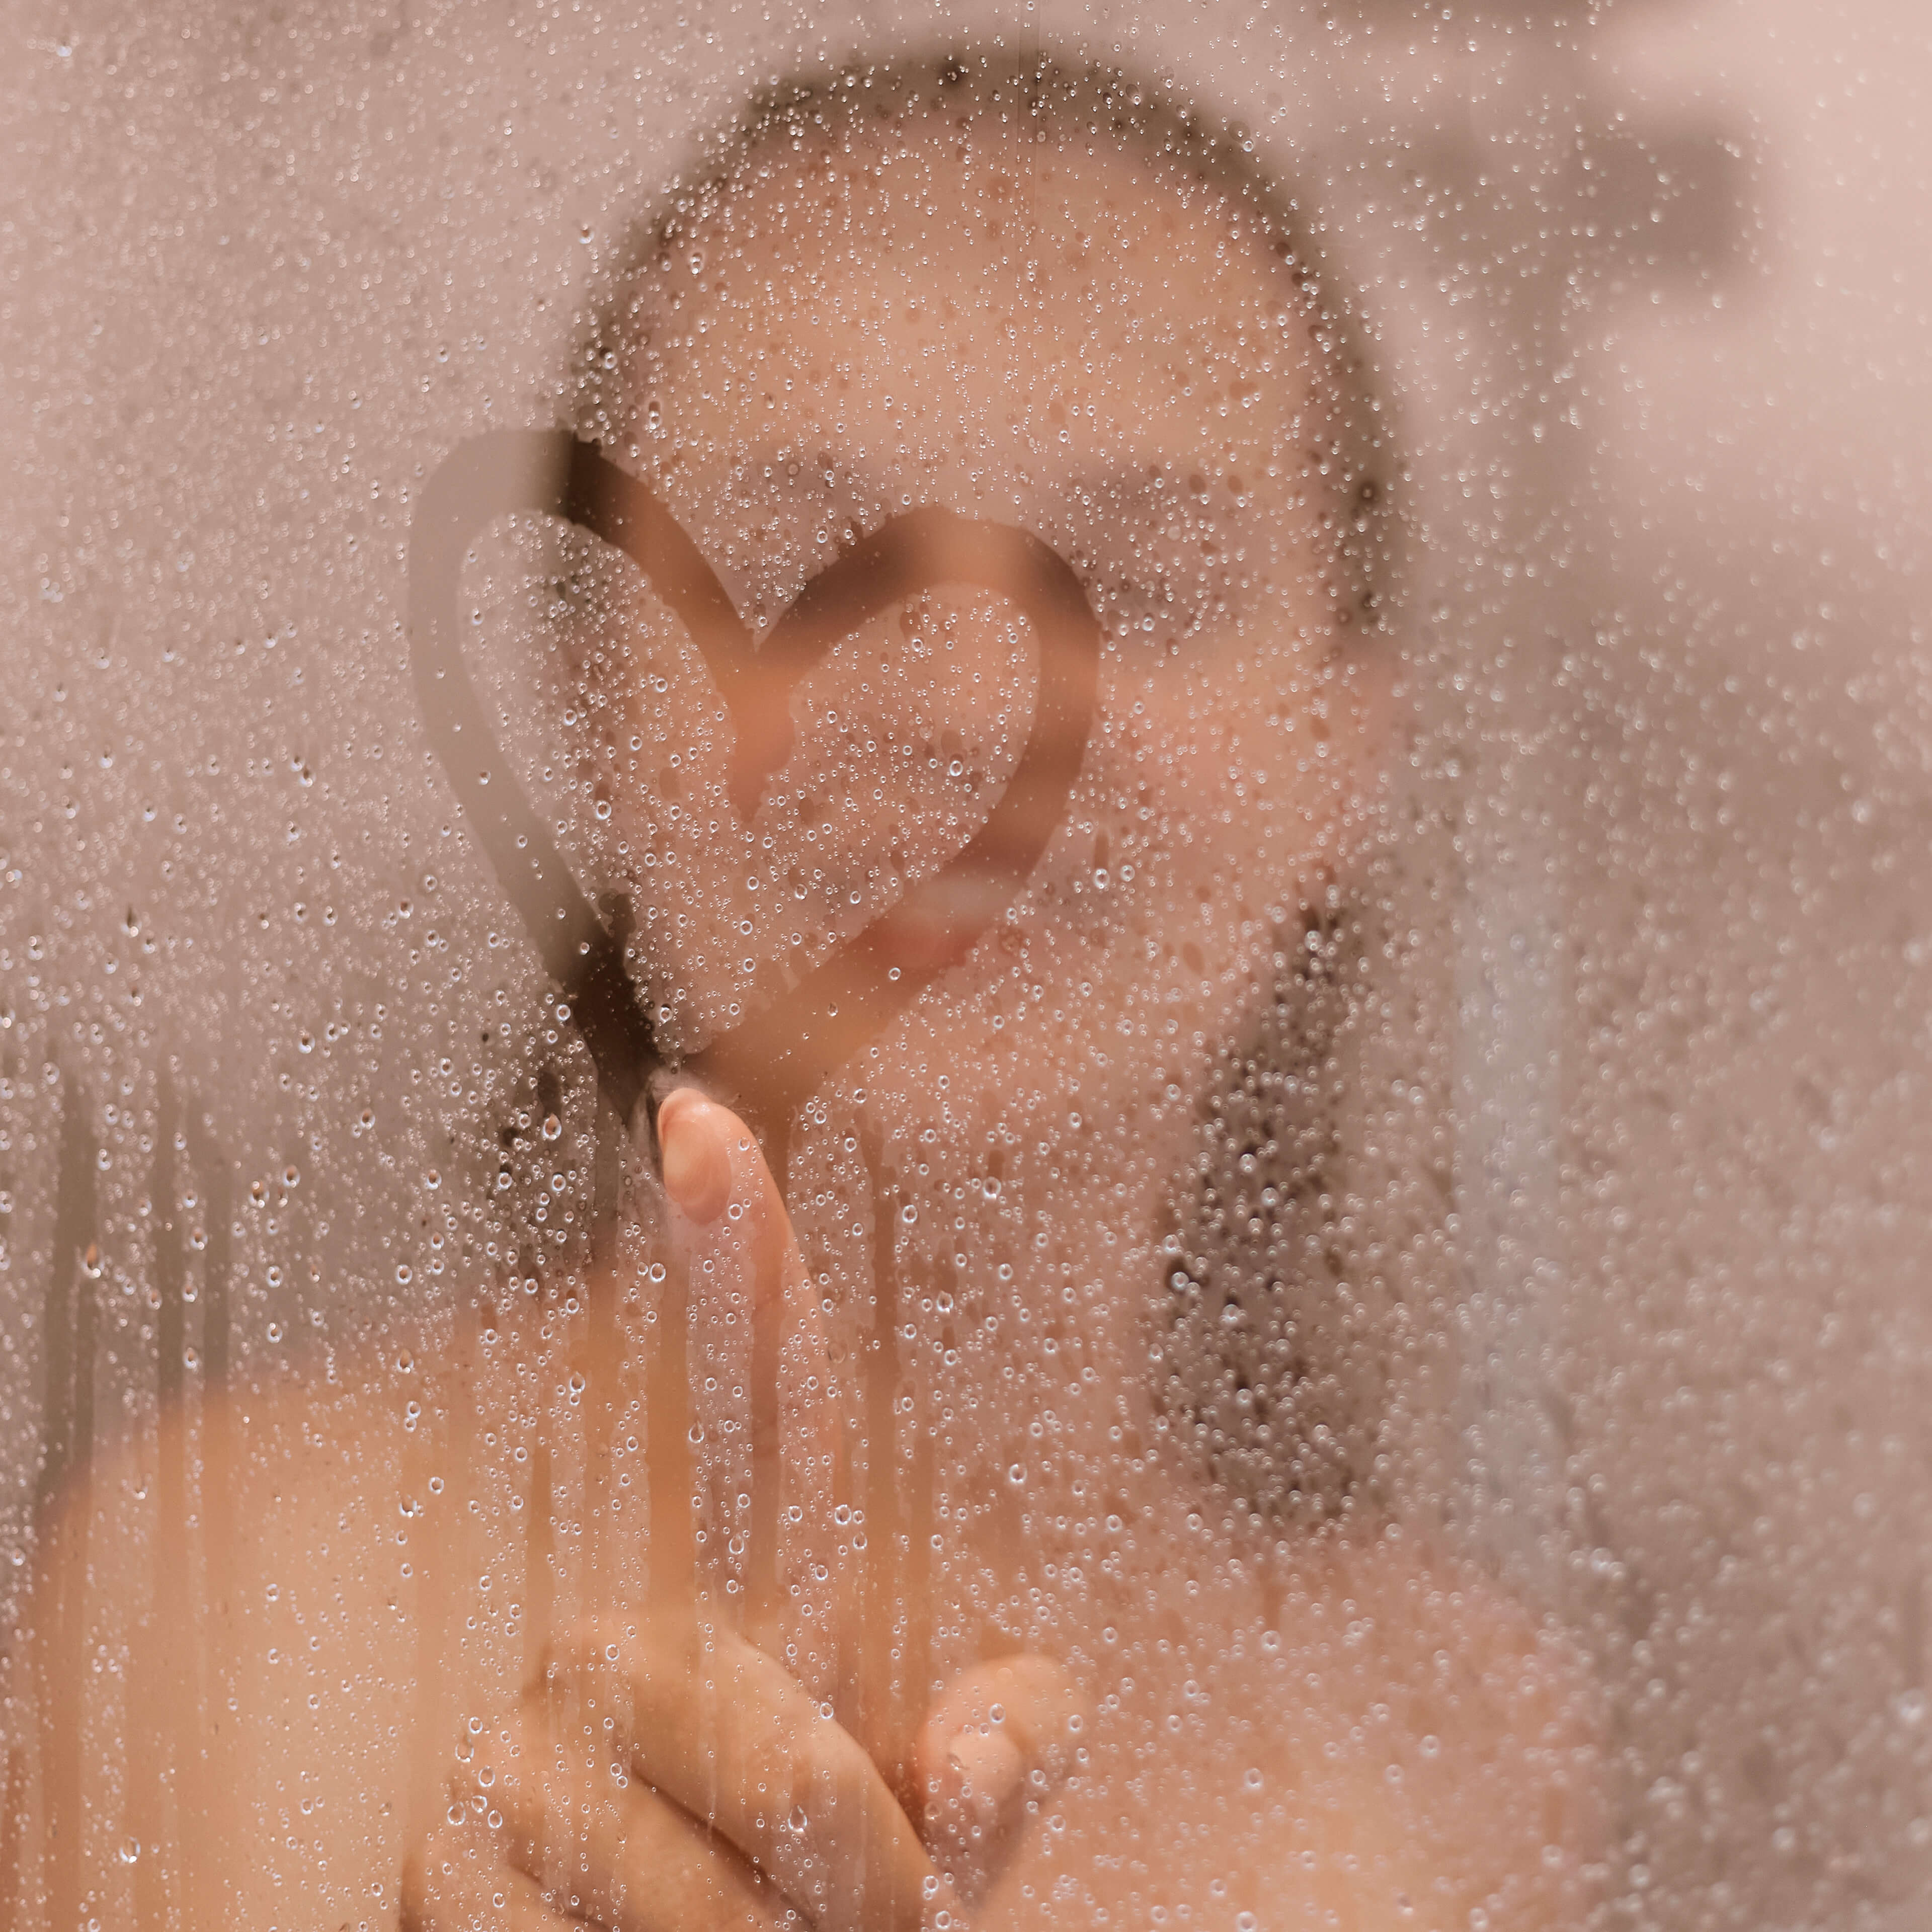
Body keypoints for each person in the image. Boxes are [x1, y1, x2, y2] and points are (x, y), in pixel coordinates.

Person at [10, 50, 1600, 1931]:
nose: (964, 710)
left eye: (1144, 588)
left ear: (1348, 761)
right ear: (599, 710)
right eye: (796, 572)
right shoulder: (248, 1589)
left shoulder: (1462, 1743)